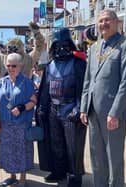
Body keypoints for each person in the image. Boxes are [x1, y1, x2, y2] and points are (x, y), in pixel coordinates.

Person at [80, 9, 126, 187]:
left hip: (113, 114)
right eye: (100, 21)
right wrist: (83, 107)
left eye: (107, 20)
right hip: (92, 112)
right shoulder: (94, 48)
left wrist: (115, 112)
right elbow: (88, 80)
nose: (103, 24)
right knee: (97, 158)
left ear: (116, 22)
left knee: (114, 159)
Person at [36, 27, 87, 187]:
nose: (61, 48)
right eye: (57, 45)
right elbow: (44, 89)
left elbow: (84, 88)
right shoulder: (50, 65)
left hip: (71, 108)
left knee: (74, 147)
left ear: (70, 44)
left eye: (65, 44)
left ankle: (74, 176)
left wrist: (78, 107)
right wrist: (42, 107)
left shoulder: (79, 64)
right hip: (53, 109)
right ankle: (59, 171)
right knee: (55, 144)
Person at [0, 53, 37, 187]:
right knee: (8, 151)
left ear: (20, 66)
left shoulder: (27, 82)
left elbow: (33, 101)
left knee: (21, 151)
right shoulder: (1, 82)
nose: (11, 68)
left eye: (14, 66)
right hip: (5, 124)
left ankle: (22, 179)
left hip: (21, 124)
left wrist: (22, 107)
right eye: (8, 65)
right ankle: (12, 176)